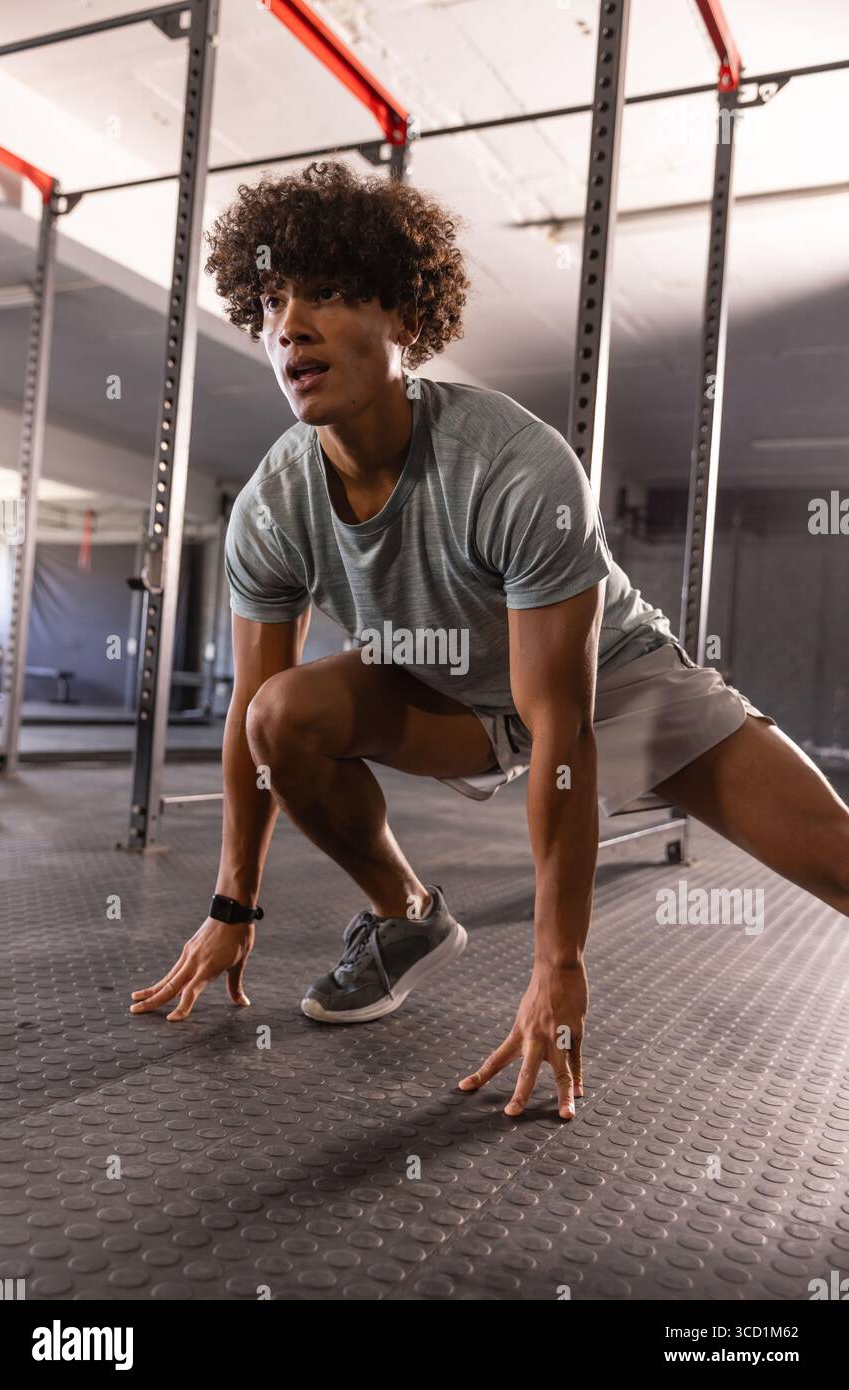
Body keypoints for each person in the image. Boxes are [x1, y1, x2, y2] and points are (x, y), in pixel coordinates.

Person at [131, 161, 849, 1121]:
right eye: (270, 301)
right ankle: (405, 917)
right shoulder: (273, 503)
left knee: (836, 859)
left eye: (329, 295)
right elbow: (249, 728)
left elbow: (564, 733)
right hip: (450, 694)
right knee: (280, 714)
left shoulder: (511, 463)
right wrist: (232, 907)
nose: (289, 324)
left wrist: (558, 965)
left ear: (405, 320)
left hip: (610, 684)